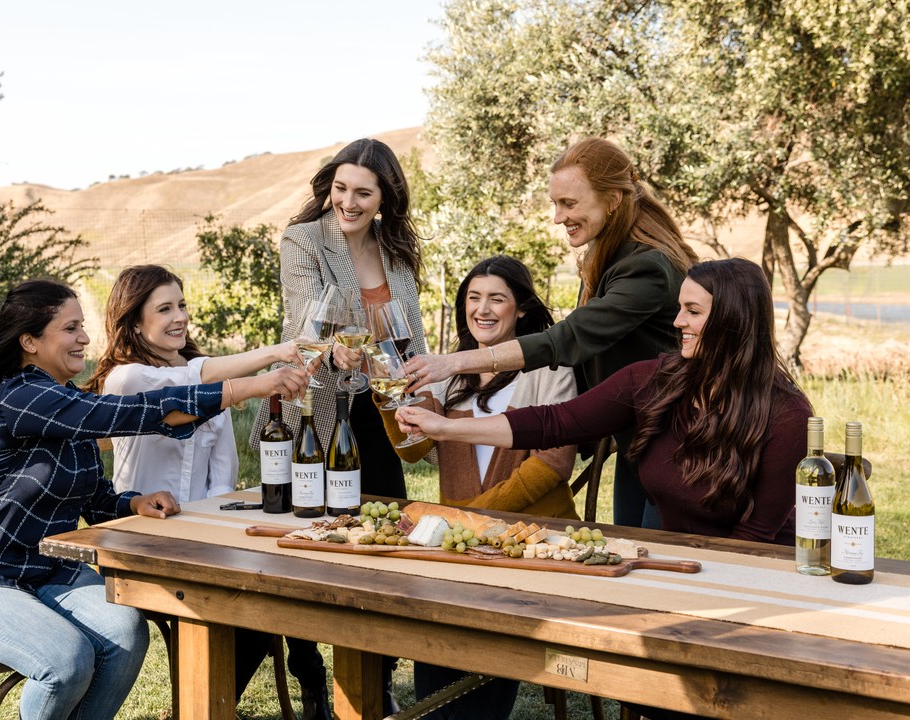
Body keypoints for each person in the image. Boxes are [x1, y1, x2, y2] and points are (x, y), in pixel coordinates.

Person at [0, 279, 308, 720]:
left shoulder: (66, 402)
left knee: (125, 632)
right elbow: (126, 412)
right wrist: (248, 386)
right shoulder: (20, 396)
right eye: (70, 328)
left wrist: (132, 504)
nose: (84, 338)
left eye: (82, 326)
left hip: (44, 573)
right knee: (65, 661)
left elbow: (93, 495)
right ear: (29, 342)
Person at [398, 257, 811, 543]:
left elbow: (756, 536)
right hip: (678, 564)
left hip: (752, 575)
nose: (677, 321)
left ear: (732, 318)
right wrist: (445, 427)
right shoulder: (651, 381)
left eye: (692, 311)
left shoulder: (787, 415)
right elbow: (551, 423)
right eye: (679, 308)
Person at [405, 137, 699, 529]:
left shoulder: (645, 267)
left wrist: (454, 362)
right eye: (555, 204)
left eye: (569, 204)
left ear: (613, 200)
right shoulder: (610, 258)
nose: (558, 217)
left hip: (678, 452)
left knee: (659, 576)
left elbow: (568, 340)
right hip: (640, 446)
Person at [82, 264, 331, 719]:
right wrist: (275, 358)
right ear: (134, 322)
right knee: (245, 600)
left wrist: (216, 528)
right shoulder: (126, 378)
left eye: (181, 305)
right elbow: (187, 388)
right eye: (164, 309)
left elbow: (223, 473)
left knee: (282, 573)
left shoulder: (206, 376)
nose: (179, 317)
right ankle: (204, 706)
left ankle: (299, 683)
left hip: (202, 530)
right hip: (138, 532)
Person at [251, 137, 428, 715]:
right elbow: (308, 327)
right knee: (303, 544)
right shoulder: (302, 241)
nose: (347, 202)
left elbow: (412, 337)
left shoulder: (397, 251)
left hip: (376, 414)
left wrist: (420, 388)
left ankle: (375, 684)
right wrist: (339, 352)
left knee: (381, 546)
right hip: (312, 411)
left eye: (362, 192)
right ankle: (310, 680)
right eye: (340, 188)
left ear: (385, 199)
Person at [380, 255, 578, 720]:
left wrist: (473, 521)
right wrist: (389, 398)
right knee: (432, 624)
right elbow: (412, 448)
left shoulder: (549, 371)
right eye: (473, 298)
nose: (482, 309)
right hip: (459, 546)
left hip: (531, 544)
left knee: (484, 630)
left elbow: (552, 466)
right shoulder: (449, 372)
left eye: (496, 298)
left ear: (522, 309)